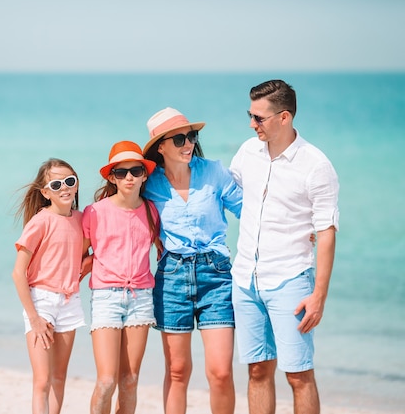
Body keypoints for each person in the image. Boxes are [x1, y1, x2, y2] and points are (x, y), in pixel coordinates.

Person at [229, 79, 339, 414]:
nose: (251, 124)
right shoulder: (248, 152)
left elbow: (327, 231)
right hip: (245, 279)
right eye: (250, 115)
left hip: (290, 280)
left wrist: (318, 295)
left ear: (284, 117)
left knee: (298, 374)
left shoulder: (316, 165)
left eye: (258, 118)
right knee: (257, 370)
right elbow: (232, 192)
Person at [142, 107, 242, 414]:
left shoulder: (214, 171)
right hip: (171, 278)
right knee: (177, 371)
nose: (188, 144)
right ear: (161, 146)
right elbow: (123, 218)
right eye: (179, 139)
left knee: (221, 372)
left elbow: (250, 212)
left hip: (216, 275)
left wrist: (299, 228)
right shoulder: (149, 184)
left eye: (192, 136)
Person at [81, 141, 159, 414]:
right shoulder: (95, 212)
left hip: (141, 298)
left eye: (135, 171)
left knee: (130, 380)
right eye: (122, 172)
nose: (129, 177)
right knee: (106, 381)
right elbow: (81, 256)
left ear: (144, 175)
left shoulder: (152, 211)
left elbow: (163, 250)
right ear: (112, 177)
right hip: (106, 297)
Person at [12, 158, 87, 414]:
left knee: (59, 378)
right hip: (41, 302)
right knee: (42, 380)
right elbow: (18, 273)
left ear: (76, 184)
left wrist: (83, 270)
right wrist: (34, 318)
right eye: (56, 184)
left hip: (70, 302)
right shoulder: (40, 222)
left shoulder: (81, 220)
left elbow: (84, 256)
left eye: (69, 181)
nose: (64, 187)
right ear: (45, 192)